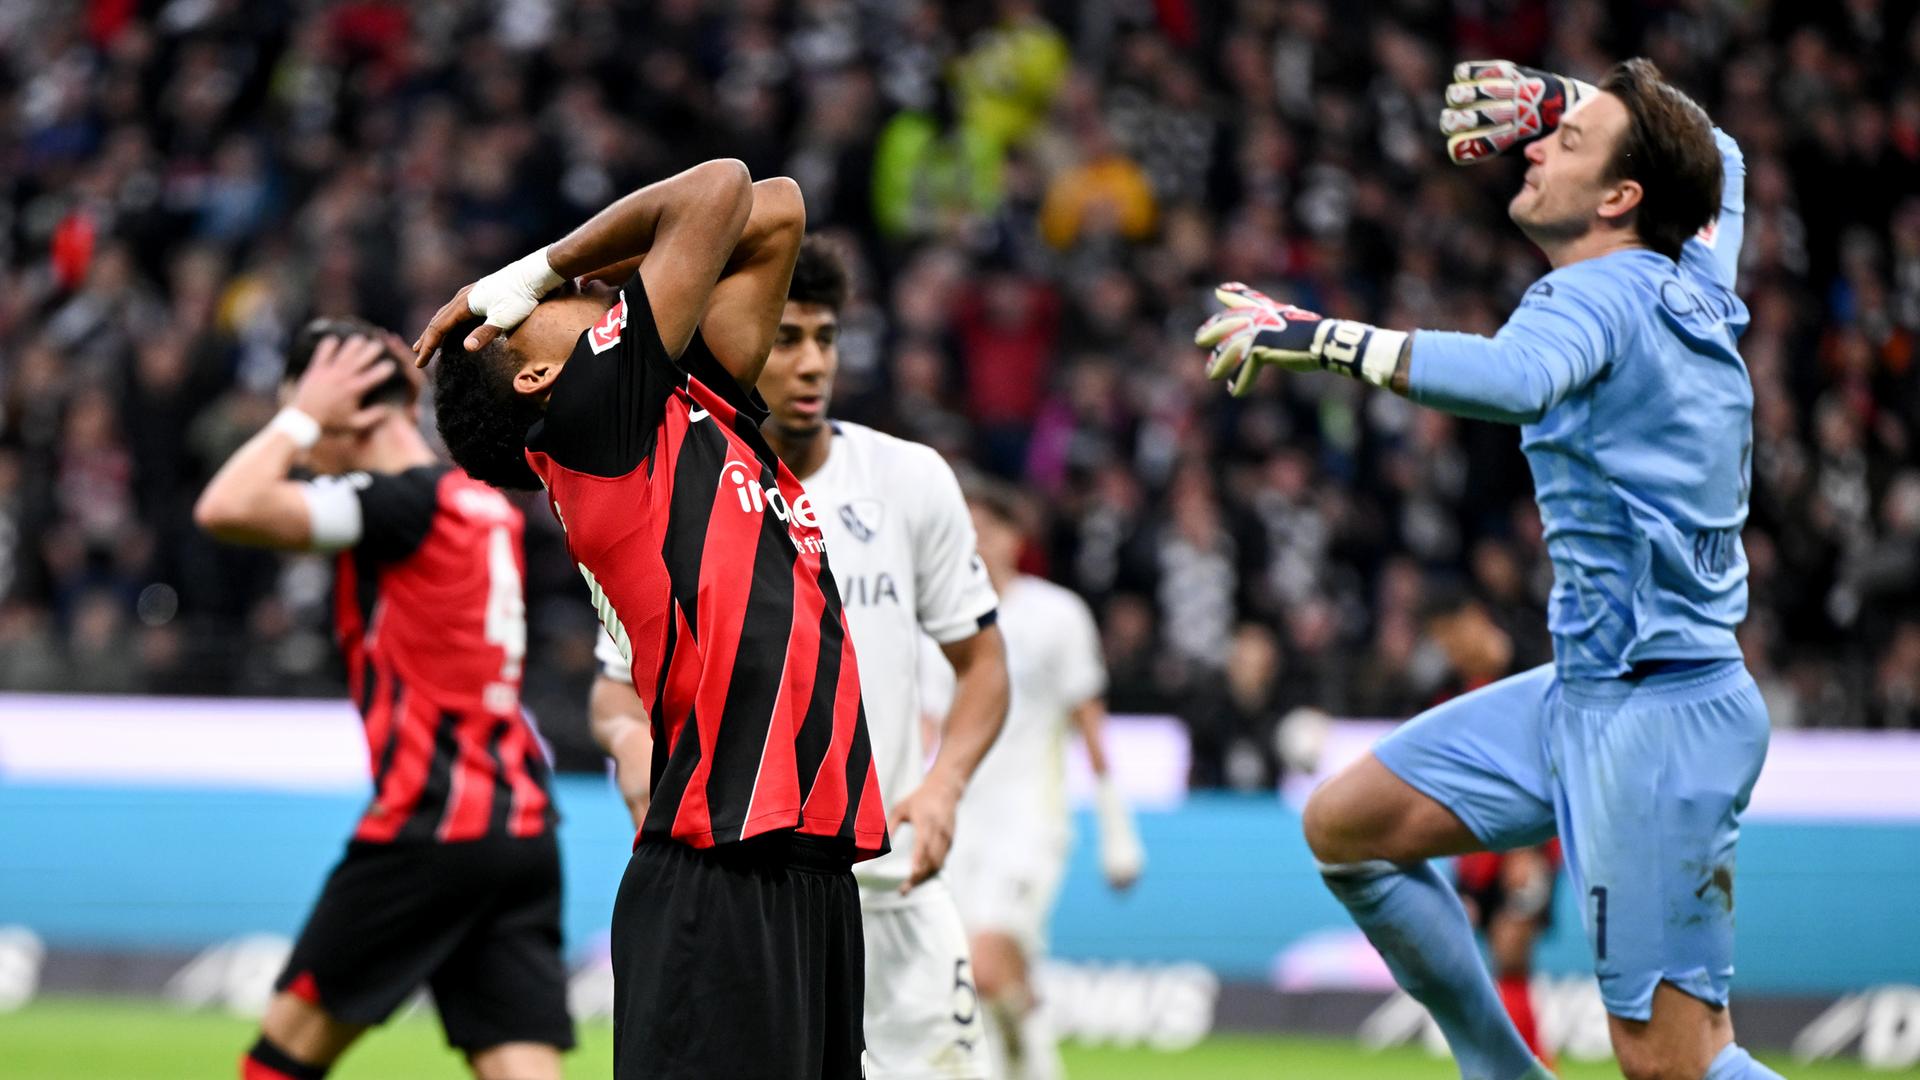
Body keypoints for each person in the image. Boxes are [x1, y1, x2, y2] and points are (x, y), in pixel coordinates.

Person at [1196, 59, 1779, 1080]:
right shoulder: (1696, 268)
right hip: (1588, 695)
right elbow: (1717, 155)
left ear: (1620, 198)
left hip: (1652, 726)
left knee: (1675, 1067)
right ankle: (1501, 1071)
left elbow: (1512, 378)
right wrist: (1566, 96)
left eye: (1567, 140)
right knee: (1349, 827)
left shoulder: (1591, 296)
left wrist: (1318, 335)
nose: (1535, 144)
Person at [415, 161, 886, 1080]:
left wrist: (544, 282)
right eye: (535, 314)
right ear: (540, 375)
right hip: (720, 872)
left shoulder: (681, 409)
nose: (584, 287)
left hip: (808, 872)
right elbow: (714, 189)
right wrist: (533, 269)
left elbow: (773, 205)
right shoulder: (589, 431)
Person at [588, 236, 1013, 1079]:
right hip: (753, 891)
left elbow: (984, 666)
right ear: (736, 336)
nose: (813, 362)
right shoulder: (683, 491)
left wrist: (943, 786)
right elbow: (614, 694)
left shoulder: (910, 480)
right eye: (786, 338)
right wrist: (638, 754)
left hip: (892, 890)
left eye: (826, 337)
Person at [194, 319, 570, 1080]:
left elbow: (225, 508)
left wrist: (302, 415)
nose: (301, 448)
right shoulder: (480, 502)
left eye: (304, 413)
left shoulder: (395, 507)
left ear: (351, 412)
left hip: (431, 825)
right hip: (521, 824)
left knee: (281, 1054)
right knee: (516, 1063)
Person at [929, 477, 1144, 1080]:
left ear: (1013, 537)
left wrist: (1116, 827)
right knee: (968, 977)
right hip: (956, 821)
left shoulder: (1056, 615)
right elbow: (922, 728)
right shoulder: (932, 620)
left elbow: (1089, 722)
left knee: (988, 959)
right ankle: (1028, 1053)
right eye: (962, 525)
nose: (973, 539)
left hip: (1029, 822)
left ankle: (1032, 1059)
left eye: (987, 526)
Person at [1422, 585, 1562, 1069]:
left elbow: (1553, 760)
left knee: (1511, 945)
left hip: (1532, 842)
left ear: (1475, 617)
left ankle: (1531, 1070)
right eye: (1441, 643)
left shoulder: (1532, 668)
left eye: (1451, 637)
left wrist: (1530, 849)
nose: (1450, 650)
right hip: (1478, 847)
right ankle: (1525, 1066)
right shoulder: (1449, 689)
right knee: (1495, 962)